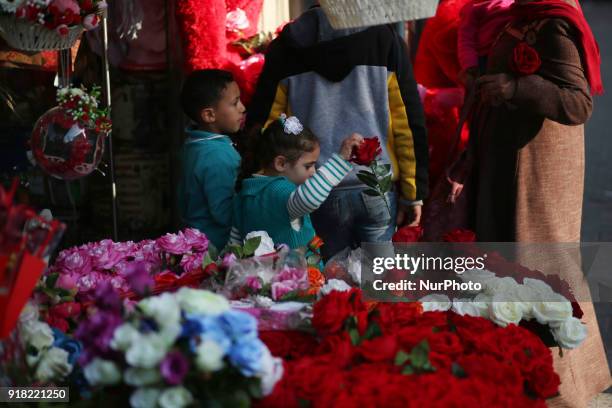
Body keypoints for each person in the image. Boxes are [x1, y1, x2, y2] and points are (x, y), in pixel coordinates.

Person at [453, 0, 610, 405]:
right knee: (512, 267)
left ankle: (559, 388)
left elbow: (578, 103)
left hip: (540, 169)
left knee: (542, 267)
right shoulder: (524, 18)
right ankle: (520, 379)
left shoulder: (555, 24)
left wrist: (515, 87)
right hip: (510, 160)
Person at [247, 5, 428, 259]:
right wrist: (413, 193)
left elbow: (264, 128)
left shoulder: (286, 47)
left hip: (314, 189)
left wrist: (264, 192)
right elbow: (408, 124)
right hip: (376, 187)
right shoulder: (384, 41)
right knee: (381, 285)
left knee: (329, 286)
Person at [230, 114, 362, 249]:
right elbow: (310, 198)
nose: (313, 172)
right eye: (308, 166)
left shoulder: (244, 193)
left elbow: (235, 242)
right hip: (293, 269)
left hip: (258, 269)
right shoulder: (280, 191)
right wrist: (340, 161)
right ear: (281, 163)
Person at [177, 69, 246, 250]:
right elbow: (224, 213)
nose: (242, 108)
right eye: (235, 103)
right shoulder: (216, 156)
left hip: (195, 239)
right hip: (215, 248)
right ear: (209, 115)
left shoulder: (195, 143)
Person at [457, 0, 514, 88]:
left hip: (512, 53)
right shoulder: (474, 7)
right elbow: (466, 39)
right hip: (485, 59)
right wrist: (470, 64)